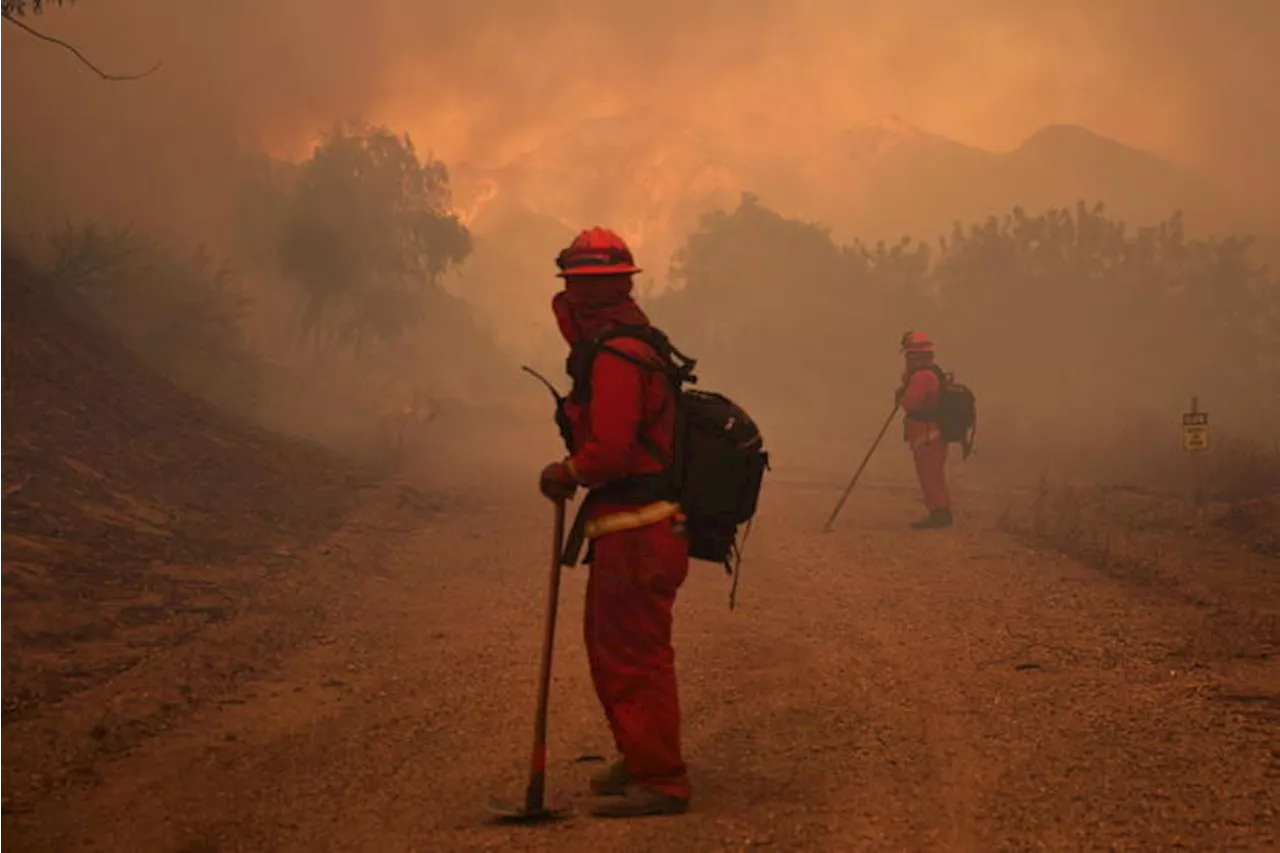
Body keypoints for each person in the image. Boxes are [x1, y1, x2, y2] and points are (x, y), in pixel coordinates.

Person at [538, 226, 692, 818]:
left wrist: (565, 470)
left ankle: (662, 779)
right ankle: (643, 751)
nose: (573, 299)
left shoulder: (617, 356)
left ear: (587, 291)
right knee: (622, 650)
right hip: (638, 526)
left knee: (632, 655)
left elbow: (611, 452)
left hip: (639, 529)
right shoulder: (632, 343)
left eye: (579, 287)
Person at [895, 330, 953, 528]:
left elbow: (910, 403)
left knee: (930, 475)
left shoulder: (922, 377)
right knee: (933, 474)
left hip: (927, 434)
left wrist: (902, 395)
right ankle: (939, 511)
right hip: (928, 433)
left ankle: (940, 513)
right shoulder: (930, 373)